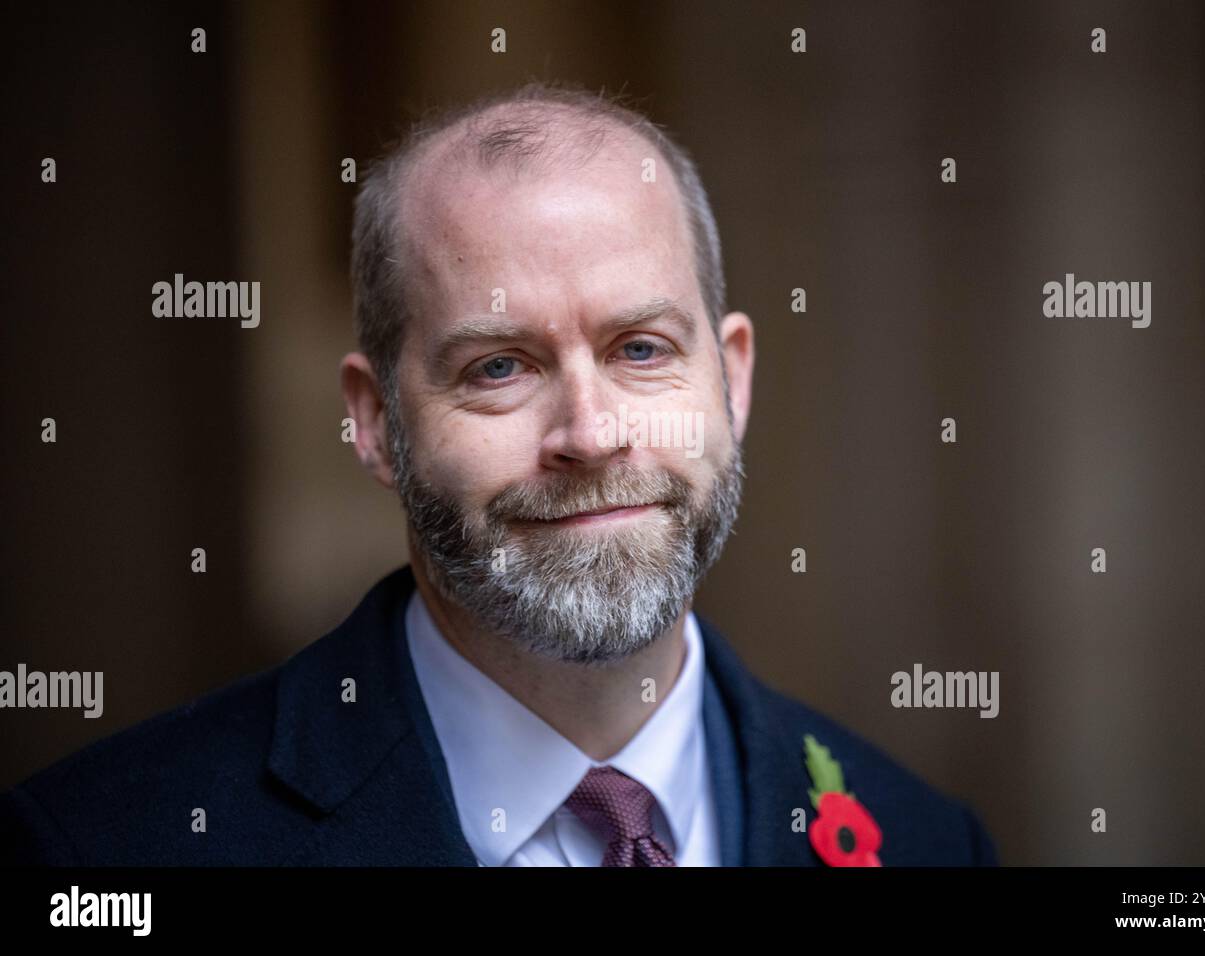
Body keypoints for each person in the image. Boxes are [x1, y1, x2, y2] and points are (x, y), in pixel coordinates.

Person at [0, 81, 997, 867]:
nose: (591, 432)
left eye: (641, 349)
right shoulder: (102, 850)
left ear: (730, 380)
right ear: (377, 420)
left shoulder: (923, 842)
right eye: (499, 367)